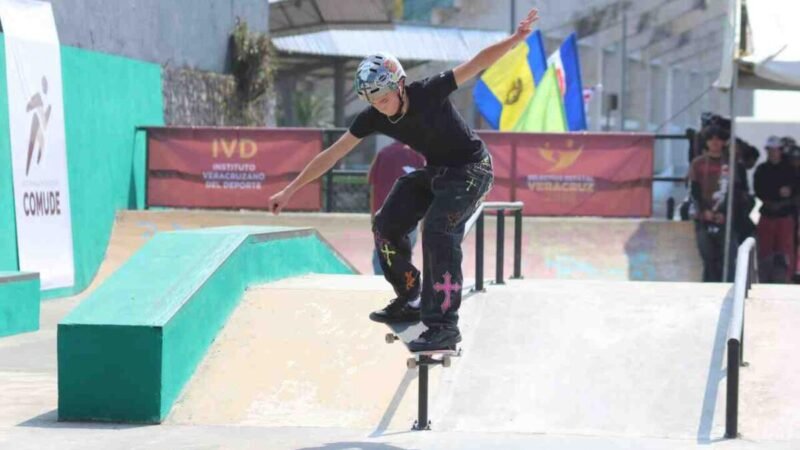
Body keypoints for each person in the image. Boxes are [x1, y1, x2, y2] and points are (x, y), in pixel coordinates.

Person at [269, 8, 540, 352]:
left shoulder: (429, 90)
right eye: (374, 102)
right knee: (386, 223)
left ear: (399, 85)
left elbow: (476, 63)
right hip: (437, 172)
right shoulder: (373, 117)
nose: (382, 108)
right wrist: (290, 189)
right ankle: (410, 295)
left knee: (438, 230)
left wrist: (516, 39)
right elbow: (333, 154)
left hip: (472, 170)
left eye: (385, 98)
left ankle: (443, 326)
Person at [367, 141, 426, 275]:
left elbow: (372, 185)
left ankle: (381, 283)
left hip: (384, 214)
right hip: (409, 215)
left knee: (382, 254)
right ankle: (404, 287)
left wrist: (372, 216)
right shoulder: (418, 156)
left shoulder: (382, 153)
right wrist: (425, 218)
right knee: (404, 253)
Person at [688, 125, 737, 282]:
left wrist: (725, 213)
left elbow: (737, 192)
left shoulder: (731, 164)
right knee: (708, 260)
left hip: (726, 220)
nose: (715, 142)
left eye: (719, 139)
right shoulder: (698, 163)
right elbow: (694, 190)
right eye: (711, 139)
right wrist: (704, 211)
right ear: (706, 142)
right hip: (703, 218)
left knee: (727, 261)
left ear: (724, 142)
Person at [754, 136, 796, 283]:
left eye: (775, 150)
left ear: (780, 151)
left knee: (785, 251)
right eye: (770, 150)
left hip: (784, 216)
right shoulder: (761, 170)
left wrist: (789, 191)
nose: (773, 153)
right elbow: (758, 190)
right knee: (765, 251)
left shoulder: (791, 170)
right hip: (767, 215)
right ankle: (764, 281)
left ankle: (785, 280)